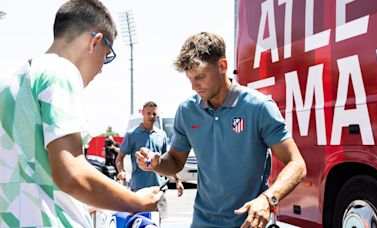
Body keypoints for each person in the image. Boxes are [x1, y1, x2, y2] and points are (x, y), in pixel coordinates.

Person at [0, 1, 162, 227]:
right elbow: (72, 175)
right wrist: (136, 201)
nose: (102, 68)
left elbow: (36, 179)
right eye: (106, 55)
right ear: (95, 42)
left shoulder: (10, 81)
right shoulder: (60, 72)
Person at [135, 32, 307, 227]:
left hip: (248, 222)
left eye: (200, 76)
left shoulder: (259, 106)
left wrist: (268, 199)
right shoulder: (186, 111)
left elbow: (297, 164)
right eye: (189, 78)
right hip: (202, 221)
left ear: (222, 66)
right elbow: (175, 161)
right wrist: (157, 163)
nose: (194, 86)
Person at [116, 101, 184, 220]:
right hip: (139, 189)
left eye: (154, 114)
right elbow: (119, 157)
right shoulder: (132, 134)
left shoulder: (161, 135)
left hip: (159, 188)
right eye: (149, 113)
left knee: (158, 222)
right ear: (142, 113)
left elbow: (169, 161)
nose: (152, 117)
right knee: (140, 222)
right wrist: (121, 171)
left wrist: (177, 180)